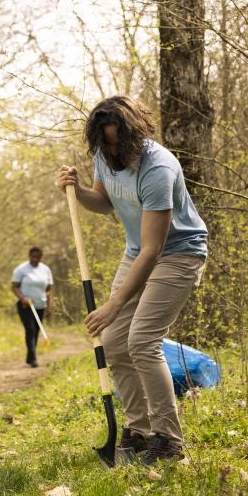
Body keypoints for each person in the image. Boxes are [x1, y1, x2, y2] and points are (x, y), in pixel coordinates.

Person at [56, 95, 208, 466]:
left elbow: (153, 249)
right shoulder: (104, 156)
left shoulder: (158, 168)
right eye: (104, 143)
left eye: (116, 143)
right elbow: (104, 201)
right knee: (113, 341)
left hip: (178, 253)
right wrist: (77, 190)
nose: (111, 150)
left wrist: (113, 304)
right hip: (137, 251)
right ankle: (138, 431)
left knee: (141, 339)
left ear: (134, 135)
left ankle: (169, 440)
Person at [11, 246, 53, 368]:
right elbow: (14, 286)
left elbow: (49, 289)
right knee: (30, 330)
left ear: (41, 257)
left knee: (36, 331)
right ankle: (33, 358)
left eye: (37, 257)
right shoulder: (21, 269)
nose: (35, 259)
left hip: (41, 304)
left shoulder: (45, 269)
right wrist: (22, 298)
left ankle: (30, 357)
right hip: (25, 305)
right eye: (33, 257)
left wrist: (49, 306)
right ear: (29, 256)